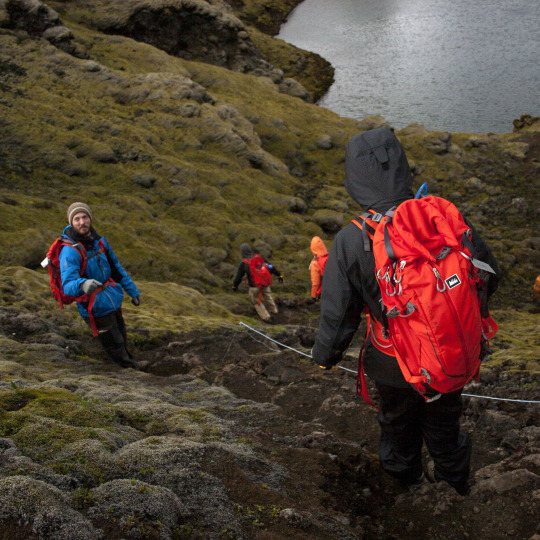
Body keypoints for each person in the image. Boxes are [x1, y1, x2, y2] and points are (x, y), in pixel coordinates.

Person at [311, 128, 500, 495]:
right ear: (401, 166)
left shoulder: (352, 238)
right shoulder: (442, 218)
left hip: (392, 362)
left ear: (355, 178)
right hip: (450, 352)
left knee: (397, 424)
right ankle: (453, 486)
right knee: (446, 422)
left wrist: (325, 356)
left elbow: (339, 312)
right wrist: (461, 318)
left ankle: (404, 486)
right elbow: (489, 274)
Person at [59, 202, 148, 370]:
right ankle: (129, 370)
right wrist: (83, 283)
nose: (82, 222)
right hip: (93, 305)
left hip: (111, 298)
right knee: (112, 342)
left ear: (90, 219)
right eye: (76, 219)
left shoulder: (100, 241)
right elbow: (67, 285)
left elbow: (116, 268)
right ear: (71, 223)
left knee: (120, 333)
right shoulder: (69, 251)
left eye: (85, 217)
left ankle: (128, 359)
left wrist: (132, 290)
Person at [232, 243, 283, 322]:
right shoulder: (259, 257)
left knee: (256, 301)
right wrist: (279, 275)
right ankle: (274, 311)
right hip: (265, 283)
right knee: (268, 296)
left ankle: (266, 317)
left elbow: (239, 277)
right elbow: (270, 267)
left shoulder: (244, 263)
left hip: (254, 286)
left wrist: (234, 286)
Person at [309, 236, 329, 302]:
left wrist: (313, 296)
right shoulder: (330, 256)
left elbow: (315, 282)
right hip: (335, 288)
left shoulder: (315, 262)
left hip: (324, 292)